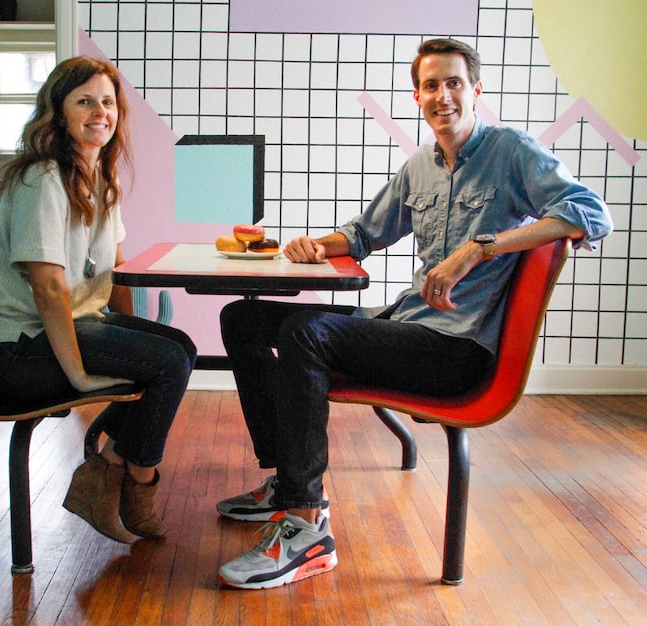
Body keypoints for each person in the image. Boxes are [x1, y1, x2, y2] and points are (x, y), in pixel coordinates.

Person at [215, 38, 613, 589]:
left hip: (458, 350)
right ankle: (286, 478)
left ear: (476, 90)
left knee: (308, 333)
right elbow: (363, 234)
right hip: (409, 326)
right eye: (431, 85)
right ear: (417, 96)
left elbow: (591, 212)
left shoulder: (512, 150)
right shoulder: (418, 168)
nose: (442, 95)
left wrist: (481, 246)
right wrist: (315, 245)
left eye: (453, 83)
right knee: (244, 318)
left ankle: (305, 527)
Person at [0, 57, 196, 544]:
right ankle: (136, 481)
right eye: (85, 101)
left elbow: (116, 271)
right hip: (15, 348)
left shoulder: (100, 178)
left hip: (66, 325)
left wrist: (131, 337)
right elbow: (47, 287)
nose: (101, 112)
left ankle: (109, 466)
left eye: (108, 102)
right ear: (59, 112)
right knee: (168, 362)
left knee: (179, 349)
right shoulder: (43, 179)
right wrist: (77, 373)